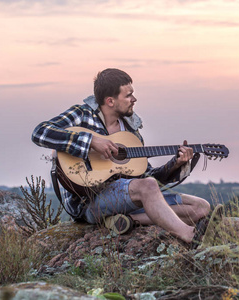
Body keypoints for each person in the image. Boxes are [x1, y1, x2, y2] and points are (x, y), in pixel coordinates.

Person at [32, 68, 219, 248]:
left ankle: (126, 221)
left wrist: (176, 164)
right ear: (110, 101)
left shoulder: (131, 132)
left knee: (200, 207)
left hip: (126, 200)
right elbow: (40, 133)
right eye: (128, 95)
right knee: (147, 187)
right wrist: (91, 141)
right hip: (89, 202)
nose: (134, 99)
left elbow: (148, 177)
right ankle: (189, 235)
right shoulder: (83, 114)